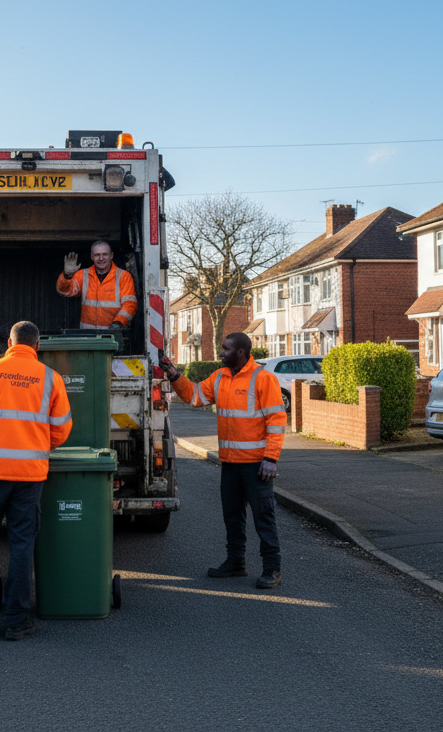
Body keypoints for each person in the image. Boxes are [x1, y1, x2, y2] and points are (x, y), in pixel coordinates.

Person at [0, 321, 72, 640]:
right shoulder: (51, 378)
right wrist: (38, 444)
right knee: (22, 545)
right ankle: (17, 621)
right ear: (37, 346)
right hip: (29, 476)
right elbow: (61, 428)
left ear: (9, 342)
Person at [159, 333, 286, 588]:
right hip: (229, 463)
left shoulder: (263, 379)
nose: (221, 352)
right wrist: (174, 374)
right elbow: (194, 395)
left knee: (264, 517)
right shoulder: (220, 377)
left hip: (256, 465)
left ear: (241, 352)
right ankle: (236, 562)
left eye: (226, 349)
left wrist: (271, 459)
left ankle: (272, 569)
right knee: (232, 516)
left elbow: (276, 420)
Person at [56, 240, 137, 330]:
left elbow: (130, 304)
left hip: (114, 336)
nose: (101, 258)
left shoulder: (123, 276)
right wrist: (67, 275)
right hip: (88, 336)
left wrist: (119, 322)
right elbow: (64, 291)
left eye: (105, 254)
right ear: (92, 257)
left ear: (111, 256)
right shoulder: (83, 275)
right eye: (97, 255)